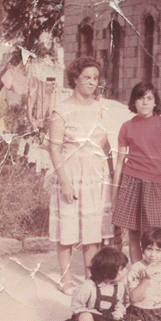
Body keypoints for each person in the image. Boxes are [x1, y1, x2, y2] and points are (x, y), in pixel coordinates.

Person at [49, 57, 114, 296]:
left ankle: (90, 278)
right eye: (87, 77)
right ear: (75, 79)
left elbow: (106, 144)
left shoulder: (100, 108)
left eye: (95, 78)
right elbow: (54, 148)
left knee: (92, 230)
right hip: (71, 172)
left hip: (96, 174)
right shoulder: (62, 109)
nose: (92, 82)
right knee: (67, 229)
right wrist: (64, 181)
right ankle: (66, 278)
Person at [112, 82, 161, 263]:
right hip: (130, 182)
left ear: (155, 102)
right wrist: (115, 194)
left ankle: (155, 276)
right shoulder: (127, 126)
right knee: (133, 233)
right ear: (134, 101)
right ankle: (137, 273)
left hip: (156, 185)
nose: (145, 102)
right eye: (140, 98)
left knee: (155, 235)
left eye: (149, 98)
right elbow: (119, 163)